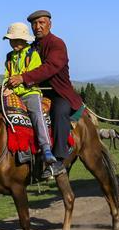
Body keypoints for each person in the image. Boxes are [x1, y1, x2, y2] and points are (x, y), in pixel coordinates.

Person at [7, 10, 84, 177]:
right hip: (34, 92)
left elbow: (49, 68)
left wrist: (23, 77)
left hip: (58, 93)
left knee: (59, 112)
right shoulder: (32, 47)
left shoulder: (57, 44)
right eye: (34, 24)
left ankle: (59, 159)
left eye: (41, 23)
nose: (38, 27)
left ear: (50, 24)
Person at [0, 22, 57, 166]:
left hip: (30, 92)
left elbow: (34, 76)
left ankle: (46, 148)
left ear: (24, 39)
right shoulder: (9, 57)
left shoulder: (33, 55)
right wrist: (4, 88)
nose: (13, 43)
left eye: (16, 39)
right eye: (11, 40)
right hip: (14, 93)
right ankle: (16, 149)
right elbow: (7, 76)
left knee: (36, 114)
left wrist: (15, 87)